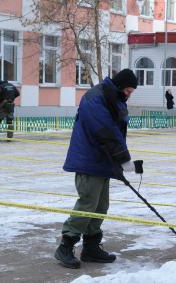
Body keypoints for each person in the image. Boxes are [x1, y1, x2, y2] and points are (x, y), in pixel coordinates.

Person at [54, 69, 139, 269]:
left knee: (101, 207)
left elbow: (116, 132)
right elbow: (105, 131)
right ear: (119, 85)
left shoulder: (113, 97)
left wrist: (120, 161)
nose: (129, 94)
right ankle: (65, 246)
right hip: (89, 160)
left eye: (131, 91)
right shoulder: (96, 97)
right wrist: (123, 158)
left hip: (102, 162)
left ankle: (91, 247)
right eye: (128, 89)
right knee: (88, 204)